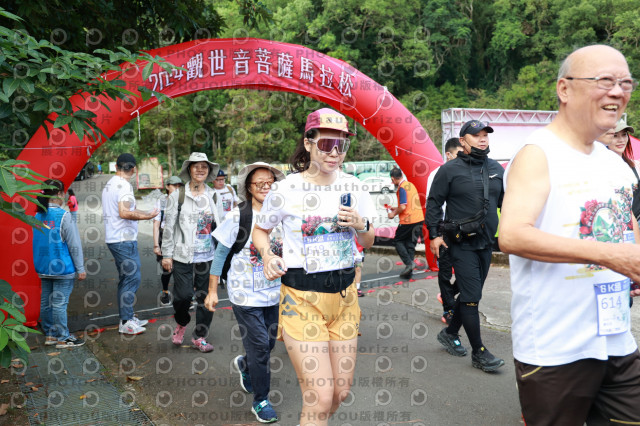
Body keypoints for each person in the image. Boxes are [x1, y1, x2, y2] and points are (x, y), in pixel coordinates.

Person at [500, 45, 640, 424]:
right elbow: (512, 235)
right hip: (555, 348)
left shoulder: (615, 163)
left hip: (617, 338)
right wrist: (611, 256)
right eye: (605, 81)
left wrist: (633, 264)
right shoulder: (538, 153)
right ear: (564, 89)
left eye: (626, 83)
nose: (618, 92)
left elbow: (627, 226)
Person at [253, 108, 375, 426]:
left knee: (339, 394)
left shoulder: (355, 186)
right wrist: (267, 256)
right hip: (301, 299)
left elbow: (368, 240)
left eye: (341, 145)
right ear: (308, 143)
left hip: (345, 299)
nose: (335, 152)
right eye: (326, 144)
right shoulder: (285, 189)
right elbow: (260, 231)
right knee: (319, 397)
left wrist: (361, 224)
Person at [204, 162, 285, 423]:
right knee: (260, 346)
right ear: (248, 188)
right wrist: (212, 292)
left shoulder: (283, 214)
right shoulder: (238, 216)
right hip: (244, 294)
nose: (265, 187)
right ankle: (261, 400)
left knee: (268, 343)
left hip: (274, 293)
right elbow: (220, 255)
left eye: (270, 182)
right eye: (259, 183)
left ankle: (245, 364)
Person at [426, 119, 505, 373]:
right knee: (471, 297)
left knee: (471, 294)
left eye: (485, 135)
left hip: (486, 243)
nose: (483, 139)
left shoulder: (496, 169)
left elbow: (506, 203)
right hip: (460, 243)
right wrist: (434, 235)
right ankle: (479, 352)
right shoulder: (449, 170)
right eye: (476, 135)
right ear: (463, 141)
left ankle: (450, 333)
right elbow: (434, 203)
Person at [162, 152, 220, 353]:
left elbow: (221, 225)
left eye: (204, 166)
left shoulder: (213, 195)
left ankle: (200, 336)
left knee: (206, 298)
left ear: (209, 171)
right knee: (183, 296)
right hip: (182, 255)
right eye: (196, 166)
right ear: (189, 170)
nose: (200, 170)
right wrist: (166, 254)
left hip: (208, 255)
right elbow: (169, 227)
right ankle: (181, 322)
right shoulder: (177, 196)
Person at [102, 153, 158, 335]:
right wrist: (148, 217)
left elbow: (129, 209)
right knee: (133, 278)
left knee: (126, 278)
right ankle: (126, 321)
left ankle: (127, 316)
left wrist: (147, 212)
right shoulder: (124, 185)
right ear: (133, 169)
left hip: (115, 238)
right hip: (123, 240)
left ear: (117, 166)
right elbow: (125, 212)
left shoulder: (110, 184)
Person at [33, 179, 87, 348]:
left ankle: (50, 335)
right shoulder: (64, 216)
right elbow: (74, 244)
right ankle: (63, 337)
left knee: (46, 303)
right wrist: (80, 268)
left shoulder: (37, 215)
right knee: (59, 304)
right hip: (62, 268)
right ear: (59, 193)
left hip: (43, 267)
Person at [426, 138, 464, 324]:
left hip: (462, 229)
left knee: (468, 271)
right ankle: (448, 309)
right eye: (459, 154)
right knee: (446, 271)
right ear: (448, 154)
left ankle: (447, 294)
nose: (463, 157)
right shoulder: (436, 174)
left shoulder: (465, 171)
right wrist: (435, 234)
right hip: (443, 228)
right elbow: (433, 205)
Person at [388, 168, 425, 279]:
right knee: (410, 244)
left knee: (398, 241)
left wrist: (393, 213)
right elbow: (407, 203)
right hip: (418, 218)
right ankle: (409, 271)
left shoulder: (402, 188)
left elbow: (403, 206)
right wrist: (396, 208)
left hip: (408, 220)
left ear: (393, 178)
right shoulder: (410, 185)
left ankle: (409, 264)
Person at [153, 176, 183, 306]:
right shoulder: (161, 202)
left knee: (182, 267)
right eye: (174, 186)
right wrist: (156, 245)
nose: (177, 188)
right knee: (167, 268)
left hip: (181, 236)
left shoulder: (184, 201)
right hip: (165, 236)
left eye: (179, 186)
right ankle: (165, 292)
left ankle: (184, 296)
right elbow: (156, 225)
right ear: (167, 186)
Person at [606, 117, 640, 220]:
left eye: (624, 134)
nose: (621, 140)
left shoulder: (635, 165)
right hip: (618, 223)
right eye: (615, 135)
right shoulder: (601, 168)